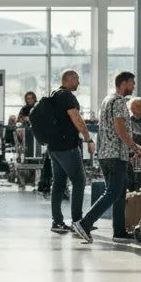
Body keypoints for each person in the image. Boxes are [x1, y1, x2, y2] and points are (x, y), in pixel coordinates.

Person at [76, 72, 141, 243]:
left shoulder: (107, 100)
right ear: (122, 83)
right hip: (116, 155)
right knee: (113, 192)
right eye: (131, 83)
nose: (133, 86)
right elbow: (120, 127)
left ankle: (119, 231)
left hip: (106, 154)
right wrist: (135, 147)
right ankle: (85, 223)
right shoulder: (120, 102)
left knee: (120, 193)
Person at [45, 70, 95, 234]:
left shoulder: (54, 95)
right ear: (69, 79)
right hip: (67, 146)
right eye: (77, 80)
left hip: (54, 147)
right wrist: (88, 139)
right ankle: (77, 222)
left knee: (58, 183)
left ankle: (57, 222)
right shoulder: (66, 96)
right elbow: (76, 118)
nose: (79, 83)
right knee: (79, 181)